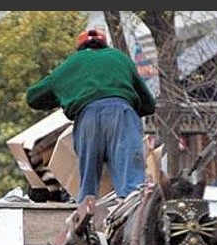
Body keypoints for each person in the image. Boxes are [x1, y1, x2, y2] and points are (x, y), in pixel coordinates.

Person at [26, 29, 156, 202]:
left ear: (80, 47)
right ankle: (133, 212)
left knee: (88, 184)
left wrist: (62, 98)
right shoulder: (120, 58)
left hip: (87, 119)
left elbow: (33, 96)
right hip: (122, 114)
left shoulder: (71, 63)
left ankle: (87, 214)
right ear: (104, 44)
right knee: (132, 186)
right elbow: (149, 104)